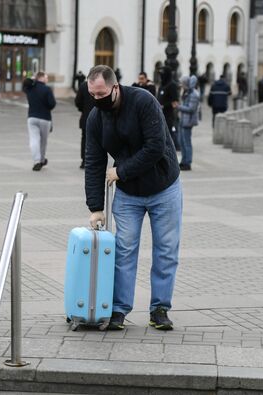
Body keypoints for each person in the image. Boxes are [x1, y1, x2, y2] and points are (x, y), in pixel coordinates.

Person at [84, 65, 182, 331]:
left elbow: (155, 147)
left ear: (116, 87)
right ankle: (118, 310)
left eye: (101, 93)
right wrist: (95, 207)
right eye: (92, 94)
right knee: (124, 251)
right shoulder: (95, 118)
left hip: (164, 186)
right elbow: (94, 162)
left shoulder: (143, 101)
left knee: (166, 249)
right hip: (128, 193)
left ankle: (159, 309)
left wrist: (120, 171)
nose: (97, 99)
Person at [23, 71, 57, 171]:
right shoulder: (47, 89)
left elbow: (25, 84)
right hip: (45, 118)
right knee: (43, 141)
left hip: (32, 117)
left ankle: (37, 160)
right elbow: (52, 104)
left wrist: (32, 80)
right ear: (41, 78)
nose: (47, 79)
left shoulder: (30, 89)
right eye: (46, 77)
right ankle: (42, 159)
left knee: (34, 140)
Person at [173, 75, 200, 171]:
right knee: (181, 141)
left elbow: (191, 109)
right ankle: (183, 161)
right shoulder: (187, 92)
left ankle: (188, 163)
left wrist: (178, 107)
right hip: (182, 119)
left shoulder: (194, 94)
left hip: (188, 121)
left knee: (186, 142)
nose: (181, 85)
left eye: (182, 83)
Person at [157, 66, 180, 150]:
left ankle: (174, 148)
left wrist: (164, 106)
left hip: (169, 115)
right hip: (160, 115)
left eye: (162, 74)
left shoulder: (172, 85)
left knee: (170, 133)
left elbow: (175, 101)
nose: (161, 76)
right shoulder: (162, 85)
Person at [74, 79, 96, 169]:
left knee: (85, 140)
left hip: (86, 117)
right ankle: (95, 161)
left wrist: (82, 109)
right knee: (98, 141)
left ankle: (84, 160)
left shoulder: (84, 85)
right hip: (100, 118)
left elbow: (77, 101)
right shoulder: (103, 84)